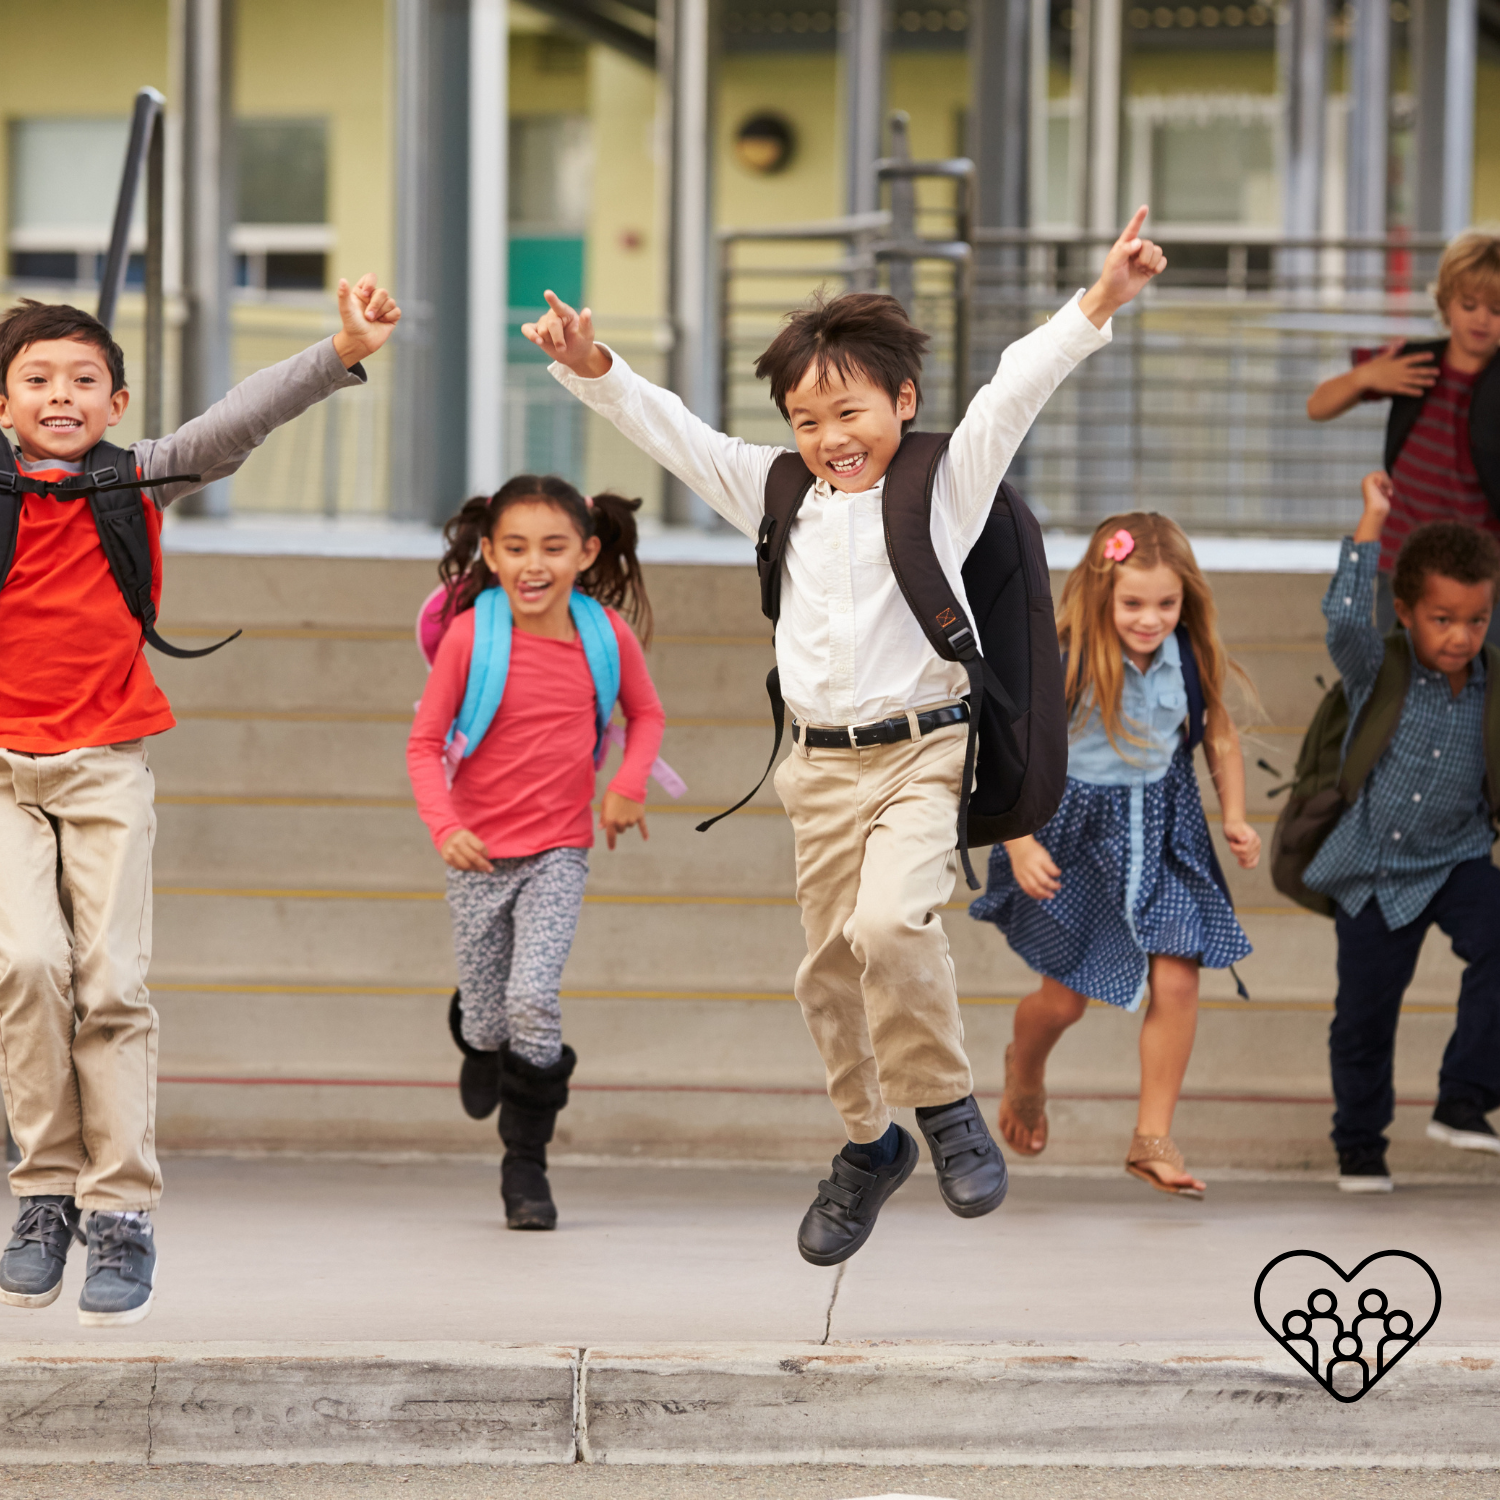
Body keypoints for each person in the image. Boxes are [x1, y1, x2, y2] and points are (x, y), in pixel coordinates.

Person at [524, 207, 1167, 1264]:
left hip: (924, 755)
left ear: (902, 404)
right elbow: (673, 433)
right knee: (825, 974)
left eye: (851, 411)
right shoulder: (780, 494)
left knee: (890, 930)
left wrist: (1099, 299)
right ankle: (870, 1144)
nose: (831, 437)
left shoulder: (942, 485)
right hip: (816, 770)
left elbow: (1015, 389)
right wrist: (593, 365)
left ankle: (948, 1108)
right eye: (806, 418)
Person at [0, 277, 401, 1324]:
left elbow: (239, 421)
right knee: (26, 965)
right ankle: (44, 1191)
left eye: (84, 379)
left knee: (115, 981)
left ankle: (120, 1211)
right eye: (36, 378)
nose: (60, 394)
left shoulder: (135, 481)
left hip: (103, 766)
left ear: (117, 404)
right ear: (1, 404)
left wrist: (338, 348)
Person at [971, 514, 1259, 1197]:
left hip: (1162, 830)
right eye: (1133, 603)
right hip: (1073, 837)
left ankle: (1151, 1137)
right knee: (1063, 1003)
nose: (1151, 619)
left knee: (1180, 977)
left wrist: (1237, 816)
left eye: (1167, 603)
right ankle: (1025, 1070)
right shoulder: (1064, 656)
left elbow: (1218, 736)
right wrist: (1018, 839)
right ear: (1102, 594)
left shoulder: (1190, 655)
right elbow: (1008, 750)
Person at [407, 475, 666, 1231]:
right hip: (476, 854)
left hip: (559, 849)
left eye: (553, 547)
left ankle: (526, 1166)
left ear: (587, 553)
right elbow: (424, 745)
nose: (533, 564)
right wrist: (444, 827)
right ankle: (478, 1040)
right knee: (490, 1021)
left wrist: (628, 783)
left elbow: (645, 717)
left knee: (533, 999)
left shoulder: (604, 635)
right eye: (515, 548)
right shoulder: (470, 636)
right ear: (488, 553)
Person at [1305, 472, 1500, 1192]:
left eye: (1476, 620)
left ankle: (1465, 1098)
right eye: (1443, 618)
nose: (1461, 636)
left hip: (1456, 857)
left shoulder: (1493, 684)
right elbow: (1345, 621)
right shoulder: (1378, 668)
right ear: (1409, 613)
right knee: (1363, 1017)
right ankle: (1359, 1145)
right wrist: (1370, 523)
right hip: (1375, 870)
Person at [1306, 231, 1500, 643]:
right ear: (1446, 303)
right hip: (1402, 562)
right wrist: (1366, 376)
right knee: (1397, 678)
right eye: (1469, 305)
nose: (1482, 319)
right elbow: (1317, 406)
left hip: (1480, 573)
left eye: (1497, 310)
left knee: (1482, 689)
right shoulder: (1412, 361)